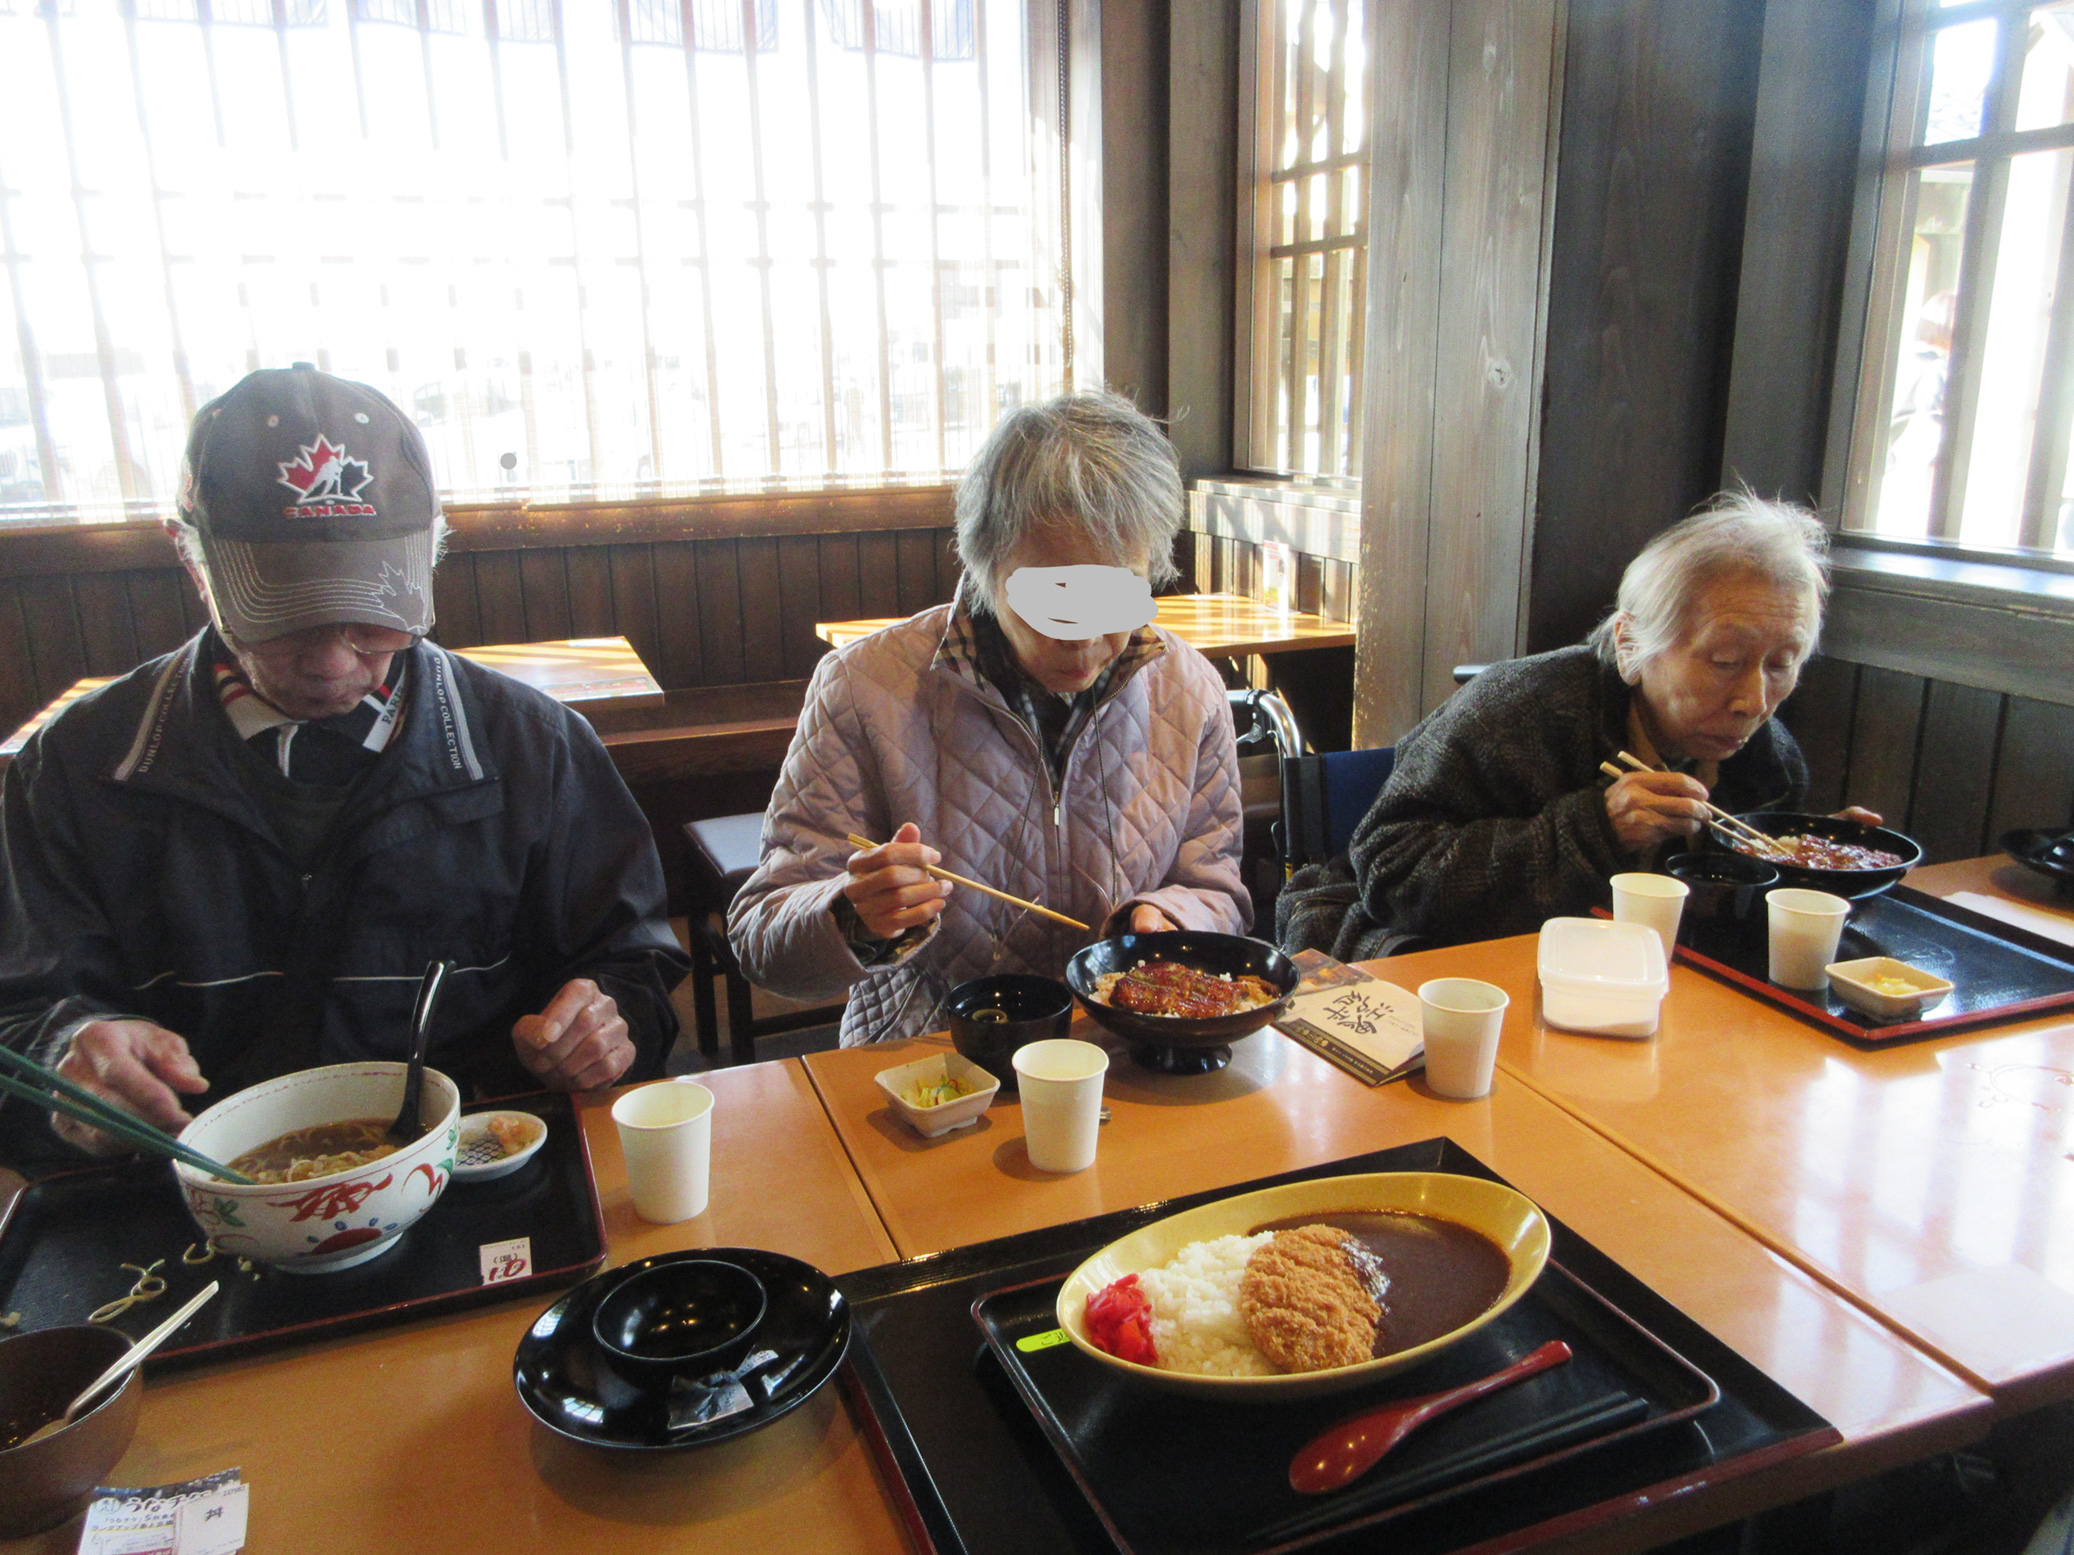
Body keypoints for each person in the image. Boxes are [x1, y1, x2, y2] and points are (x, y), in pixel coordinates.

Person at [0, 364, 688, 1163]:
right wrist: (66, 1056)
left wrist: (604, 1024)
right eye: (283, 619)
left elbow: (630, 963)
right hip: (178, 1197)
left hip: (467, 1175)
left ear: (430, 558)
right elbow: (19, 1019)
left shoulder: (535, 747)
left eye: (371, 619)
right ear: (190, 560)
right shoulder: (76, 769)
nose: (332, 664)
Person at [728, 390, 1248, 1045]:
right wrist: (852, 918)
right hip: (931, 1067)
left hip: (1122, 1057)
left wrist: (1169, 918)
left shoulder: (1191, 689)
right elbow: (760, 936)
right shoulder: (864, 690)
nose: (1086, 638)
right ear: (986, 562)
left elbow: (1217, 889)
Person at [1278, 492, 1879, 958]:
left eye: (1782, 664)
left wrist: (1810, 867)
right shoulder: (1518, 711)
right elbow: (1390, 872)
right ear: (1630, 643)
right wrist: (1597, 830)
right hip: (1441, 971)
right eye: (1724, 662)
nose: (1754, 699)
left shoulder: (1768, 764)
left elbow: (1727, 921)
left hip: (1627, 993)